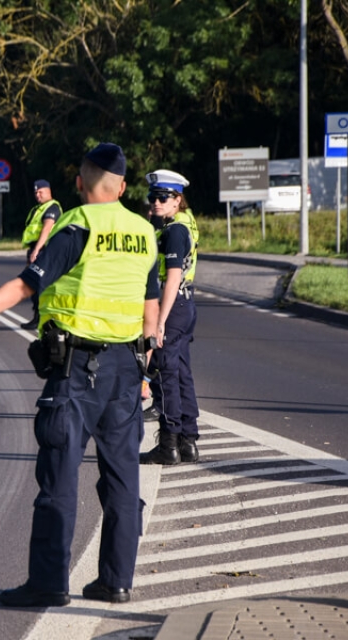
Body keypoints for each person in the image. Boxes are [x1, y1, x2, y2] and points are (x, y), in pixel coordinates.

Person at [0, 143, 159, 607]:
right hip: (127, 371)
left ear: (79, 184)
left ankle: (48, 583)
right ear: (124, 187)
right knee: (124, 480)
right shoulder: (144, 231)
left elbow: (24, 285)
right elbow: (150, 309)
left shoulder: (78, 224)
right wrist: (144, 367)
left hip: (78, 374)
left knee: (59, 479)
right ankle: (116, 581)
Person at [139, 169, 201, 465]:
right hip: (184, 306)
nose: (156, 202)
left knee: (165, 376)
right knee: (182, 375)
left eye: (163, 197)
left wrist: (160, 321)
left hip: (172, 306)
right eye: (152, 197)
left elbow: (173, 277)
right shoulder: (173, 226)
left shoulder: (175, 231)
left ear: (178, 200)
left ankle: (169, 445)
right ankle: (188, 442)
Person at [20, 179, 63, 330]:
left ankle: (44, 319)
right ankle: (37, 317)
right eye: (36, 192)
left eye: (41, 192)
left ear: (49, 191)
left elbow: (46, 229)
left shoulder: (52, 207)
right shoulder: (37, 209)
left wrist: (37, 250)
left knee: (41, 286)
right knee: (33, 285)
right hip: (35, 249)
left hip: (44, 249)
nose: (37, 195)